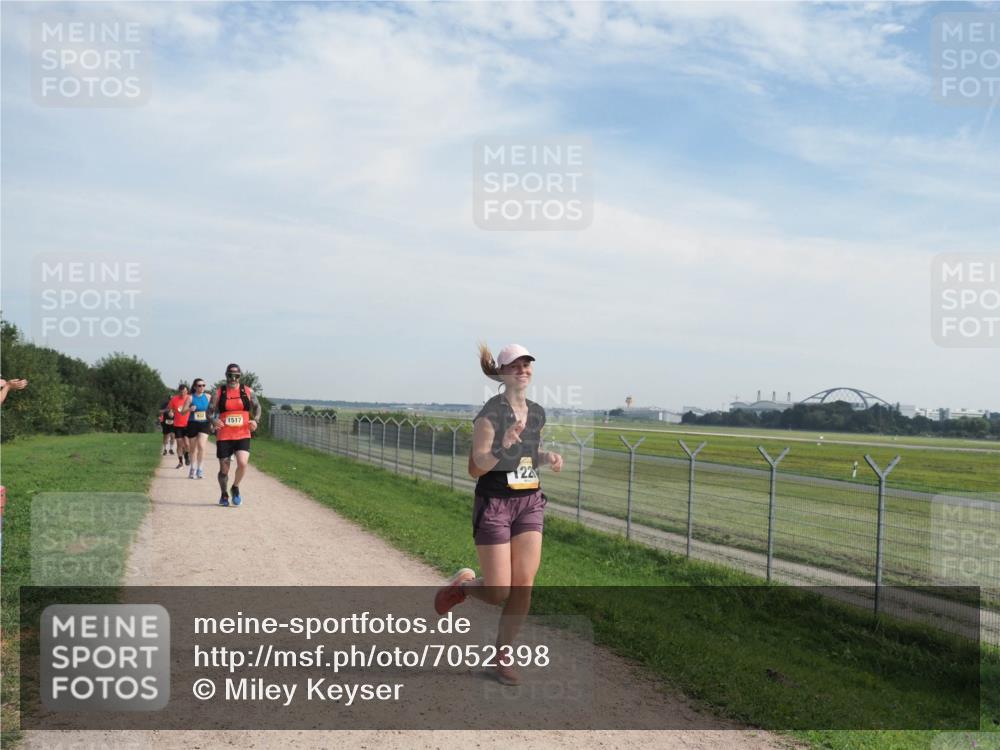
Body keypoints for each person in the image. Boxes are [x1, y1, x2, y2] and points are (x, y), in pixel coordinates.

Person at [433, 344, 563, 686]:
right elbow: (476, 468)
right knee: (497, 591)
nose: (523, 369)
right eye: (515, 365)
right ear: (502, 373)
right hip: (494, 504)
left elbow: (526, 454)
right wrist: (502, 446)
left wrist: (545, 456)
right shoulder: (490, 415)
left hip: (529, 502)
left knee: (523, 583)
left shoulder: (536, 412)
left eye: (527, 364)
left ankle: (501, 655)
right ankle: (464, 587)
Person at [210, 363, 260, 507]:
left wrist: (255, 421)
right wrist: (213, 420)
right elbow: (209, 411)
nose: (233, 379)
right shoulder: (219, 392)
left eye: (236, 376)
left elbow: (258, 407)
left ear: (239, 377)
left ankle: (235, 487)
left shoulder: (247, 391)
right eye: (230, 375)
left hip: (243, 433)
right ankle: (224, 493)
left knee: (243, 463)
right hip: (224, 435)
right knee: (224, 470)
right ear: (226, 376)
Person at [185, 378, 212, 479]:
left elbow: (213, 409)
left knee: (201, 445)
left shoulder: (208, 397)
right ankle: (192, 468)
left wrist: (213, 420)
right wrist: (189, 409)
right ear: (195, 387)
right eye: (199, 386)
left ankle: (200, 469)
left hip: (204, 423)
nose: (202, 387)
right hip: (193, 423)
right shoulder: (190, 398)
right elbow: (182, 411)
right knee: (193, 448)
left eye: (203, 385)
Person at [167, 384, 192, 470]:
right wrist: (171, 413)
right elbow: (170, 409)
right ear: (179, 391)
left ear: (187, 391)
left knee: (187, 444)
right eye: (181, 392)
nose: (183, 393)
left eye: (184, 391)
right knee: (179, 444)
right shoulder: (174, 399)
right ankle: (180, 462)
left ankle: (187, 455)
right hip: (178, 425)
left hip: (188, 424)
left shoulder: (190, 398)